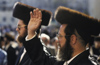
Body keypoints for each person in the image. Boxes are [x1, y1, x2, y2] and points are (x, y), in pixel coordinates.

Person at [23, 6, 100, 65]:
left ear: (72, 39)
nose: (57, 40)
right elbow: (43, 59)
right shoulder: (65, 61)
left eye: (60, 36)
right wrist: (31, 32)